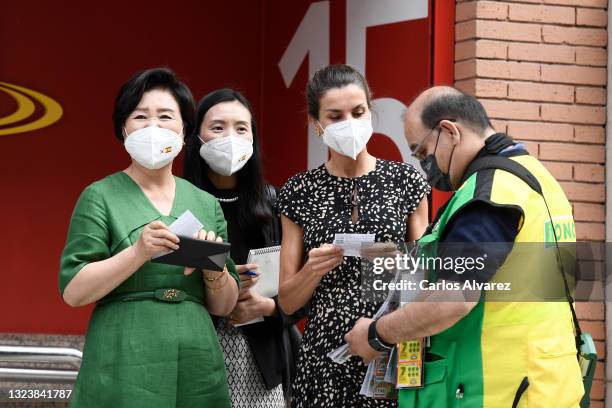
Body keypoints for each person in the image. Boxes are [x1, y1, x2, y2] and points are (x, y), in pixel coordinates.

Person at [345, 86, 584, 407]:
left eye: (422, 152)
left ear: (449, 131)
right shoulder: (535, 176)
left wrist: (377, 334)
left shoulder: (487, 192)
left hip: (494, 388)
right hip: (545, 382)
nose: (424, 166)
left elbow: (453, 299)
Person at [59, 68, 239, 407]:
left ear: (184, 130)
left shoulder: (206, 203)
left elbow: (225, 305)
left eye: (166, 116)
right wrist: (138, 252)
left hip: (197, 356)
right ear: (123, 128)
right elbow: (74, 291)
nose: (153, 126)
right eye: (141, 116)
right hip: (123, 355)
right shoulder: (100, 196)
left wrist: (215, 270)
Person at [277, 64, 430, 407]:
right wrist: (312, 270)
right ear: (316, 125)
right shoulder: (299, 191)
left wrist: (401, 259)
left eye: (358, 112)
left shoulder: (406, 181)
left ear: (370, 113)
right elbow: (286, 301)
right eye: (335, 116)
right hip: (324, 352)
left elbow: (428, 277)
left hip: (390, 344)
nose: (349, 123)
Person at [183, 88, 304, 407]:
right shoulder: (179, 202)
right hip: (193, 352)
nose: (230, 137)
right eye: (218, 127)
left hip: (260, 364)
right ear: (198, 136)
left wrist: (269, 308)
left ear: (253, 138)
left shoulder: (274, 204)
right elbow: (165, 279)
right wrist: (219, 279)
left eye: (241, 128)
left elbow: (303, 288)